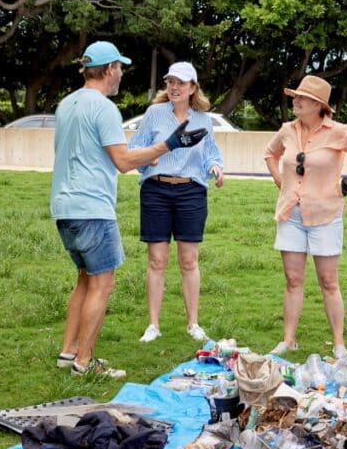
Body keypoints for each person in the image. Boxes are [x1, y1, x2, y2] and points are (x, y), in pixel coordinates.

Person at [51, 41, 178, 378]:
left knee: (85, 279)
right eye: (119, 67)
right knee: (103, 284)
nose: (121, 72)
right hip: (92, 207)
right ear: (108, 69)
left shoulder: (66, 104)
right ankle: (84, 363)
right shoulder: (104, 108)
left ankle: (68, 352)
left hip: (64, 207)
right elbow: (122, 161)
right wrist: (166, 146)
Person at [263, 75, 347, 359]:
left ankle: (339, 343)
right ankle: (288, 340)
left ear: (318, 105)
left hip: (325, 214)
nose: (295, 101)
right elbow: (270, 154)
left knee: (329, 281)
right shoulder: (287, 130)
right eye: (295, 96)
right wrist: (280, 179)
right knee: (293, 280)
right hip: (291, 213)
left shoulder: (340, 132)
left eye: (301, 98)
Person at [131, 62, 224, 345]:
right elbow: (134, 150)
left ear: (193, 88)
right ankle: (153, 325)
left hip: (191, 192)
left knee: (188, 260)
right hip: (156, 191)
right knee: (157, 260)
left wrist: (217, 168)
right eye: (171, 81)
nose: (174, 87)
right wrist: (150, 156)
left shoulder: (203, 120)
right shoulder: (154, 114)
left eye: (181, 83)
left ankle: (193, 323)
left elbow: (211, 154)